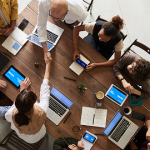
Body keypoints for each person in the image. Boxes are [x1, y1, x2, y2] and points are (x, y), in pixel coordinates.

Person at [5, 56, 52, 143]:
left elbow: (9, 117)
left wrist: (22, 91)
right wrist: (48, 64)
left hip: (27, 138)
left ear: (16, 104)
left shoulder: (10, 113)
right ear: (33, 104)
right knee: (43, 129)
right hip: (39, 135)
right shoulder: (42, 110)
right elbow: (45, 88)